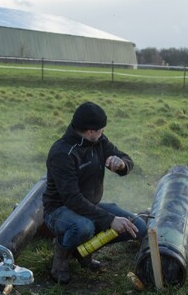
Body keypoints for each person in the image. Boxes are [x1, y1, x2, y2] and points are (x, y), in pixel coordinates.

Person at [43, 101, 147, 284]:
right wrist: (109, 219)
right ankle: (60, 258)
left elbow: (126, 158)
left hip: (90, 206)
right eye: (101, 130)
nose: (103, 133)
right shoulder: (62, 153)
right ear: (90, 131)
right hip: (59, 210)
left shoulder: (99, 142)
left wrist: (122, 164)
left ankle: (83, 251)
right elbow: (72, 199)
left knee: (137, 226)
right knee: (84, 227)